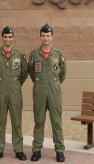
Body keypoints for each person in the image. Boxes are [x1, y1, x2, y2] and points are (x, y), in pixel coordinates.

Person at [0, 26, 28, 161]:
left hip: (15, 92)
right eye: (5, 37)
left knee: (16, 122)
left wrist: (15, 84)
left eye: (10, 37)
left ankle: (19, 149)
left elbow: (24, 73)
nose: (8, 39)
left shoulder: (20, 55)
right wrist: (1, 84)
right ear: (2, 38)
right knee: (0, 122)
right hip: (0, 92)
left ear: (13, 38)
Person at [28, 23, 67, 162]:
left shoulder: (59, 54)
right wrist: (40, 83)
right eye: (43, 36)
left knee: (56, 121)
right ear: (40, 37)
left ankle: (60, 150)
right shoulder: (34, 54)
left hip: (54, 92)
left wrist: (53, 84)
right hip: (39, 92)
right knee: (39, 121)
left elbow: (61, 75)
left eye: (48, 36)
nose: (46, 38)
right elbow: (32, 73)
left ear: (52, 37)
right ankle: (37, 150)